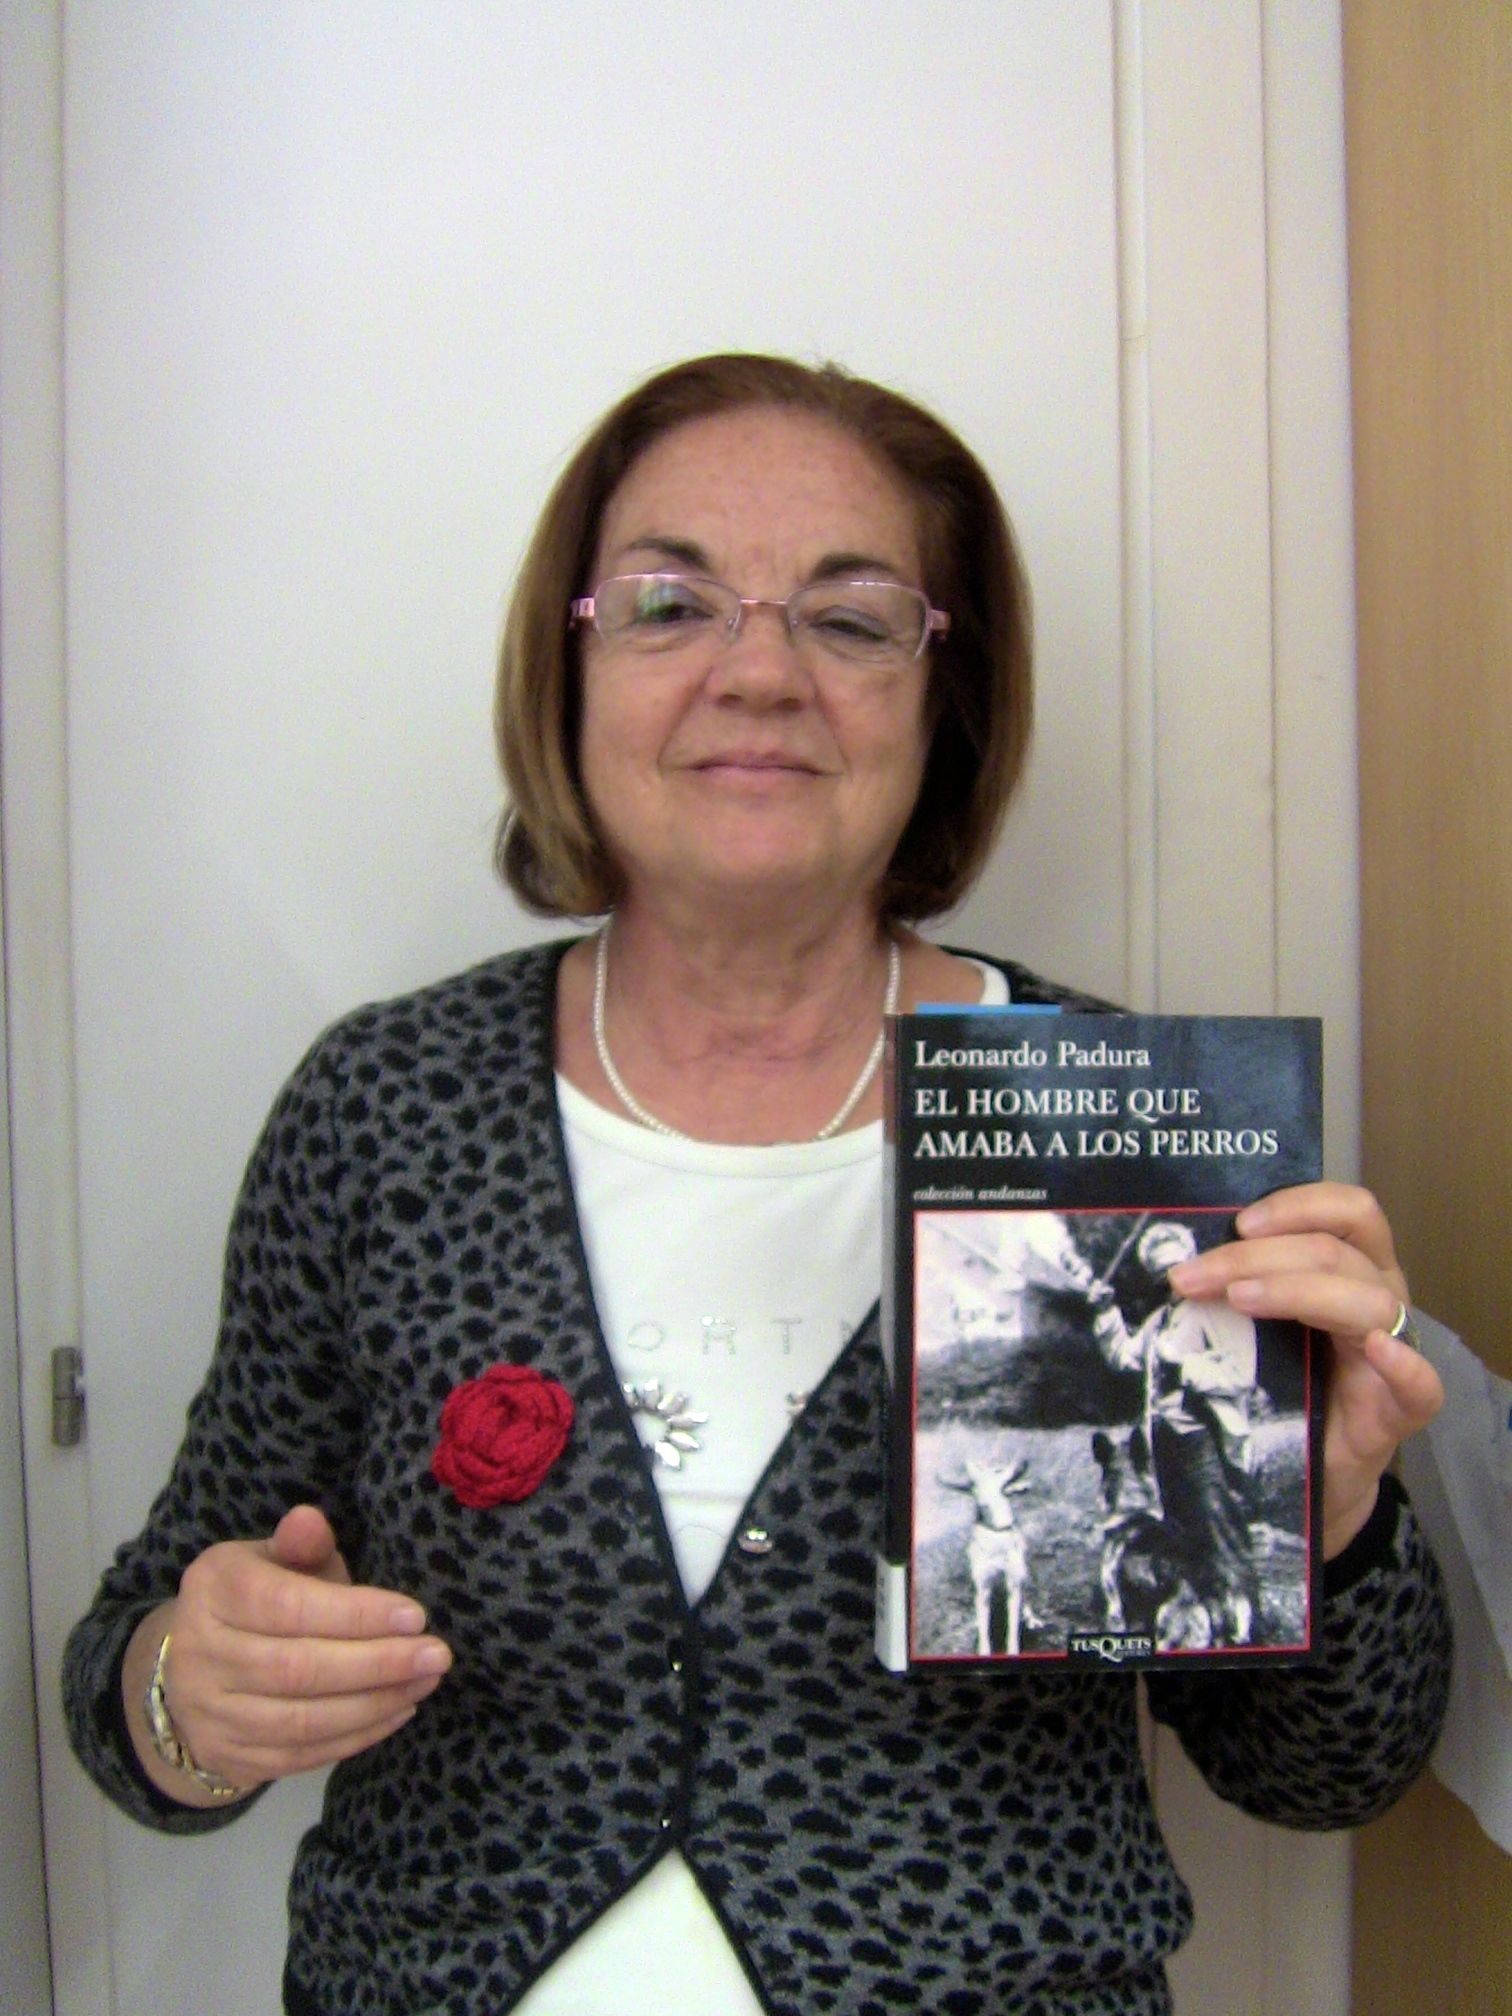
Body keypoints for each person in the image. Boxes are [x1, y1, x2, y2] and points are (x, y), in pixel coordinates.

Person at [64, 353, 1452, 2016]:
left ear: (942, 700)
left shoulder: (1117, 1135)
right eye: (670, 606)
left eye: (851, 621)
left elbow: (1325, 1774)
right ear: (569, 667)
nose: (759, 674)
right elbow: (135, 1682)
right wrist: (191, 1695)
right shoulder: (384, 1108)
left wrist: (1329, 1520)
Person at [1090, 1220, 1261, 1645]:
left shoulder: (1220, 1308)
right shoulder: (1162, 1318)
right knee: (1183, 1536)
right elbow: (1125, 1358)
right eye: (1161, 1271)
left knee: (1219, 1532)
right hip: (1164, 1445)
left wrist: (1184, 1368)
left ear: (1194, 1262)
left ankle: (1247, 1632)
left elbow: (1241, 1374)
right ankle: (1203, 1625)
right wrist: (1106, 1312)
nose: (1172, 1277)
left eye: (1178, 1266)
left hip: (1204, 1441)